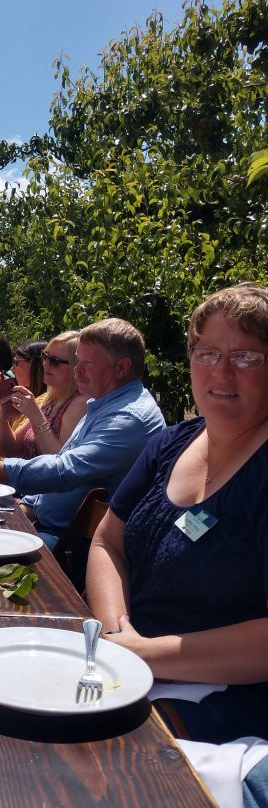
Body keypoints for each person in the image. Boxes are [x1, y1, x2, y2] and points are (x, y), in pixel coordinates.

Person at [86, 285, 268, 745]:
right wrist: (115, 636)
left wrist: (147, 655)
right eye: (207, 352)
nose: (221, 371)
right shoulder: (170, 443)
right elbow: (107, 542)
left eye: (246, 356)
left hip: (226, 708)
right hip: (128, 668)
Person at [0, 318, 166, 546]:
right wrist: (24, 506)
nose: (77, 370)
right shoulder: (104, 403)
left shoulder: (127, 417)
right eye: (77, 362)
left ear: (122, 367)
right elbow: (54, 463)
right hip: (43, 520)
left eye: (87, 363)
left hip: (67, 540)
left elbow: (65, 470)